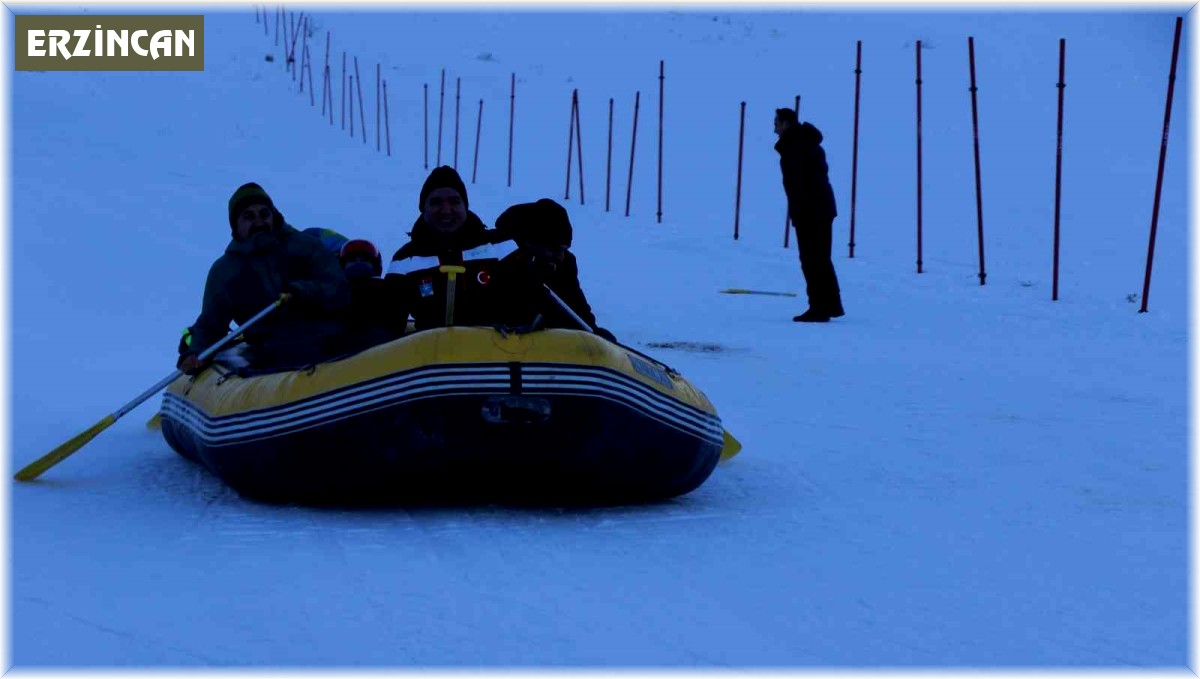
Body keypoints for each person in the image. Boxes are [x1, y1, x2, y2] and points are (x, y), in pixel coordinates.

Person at [177, 182, 352, 374]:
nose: (259, 222)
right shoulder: (225, 271)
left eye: (264, 214)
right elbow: (210, 325)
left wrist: (303, 292)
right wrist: (195, 352)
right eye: (248, 216)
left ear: (273, 215)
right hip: (272, 356)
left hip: (330, 340)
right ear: (236, 224)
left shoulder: (307, 247)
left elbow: (339, 288)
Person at [385, 166, 516, 332]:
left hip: (498, 353)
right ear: (423, 208)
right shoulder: (404, 260)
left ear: (465, 206)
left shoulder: (499, 246)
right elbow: (388, 325)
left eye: (454, 201)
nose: (446, 210)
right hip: (431, 355)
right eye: (436, 202)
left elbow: (532, 301)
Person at [493, 198, 616, 342]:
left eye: (564, 249)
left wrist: (594, 334)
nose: (561, 257)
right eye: (554, 249)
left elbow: (576, 308)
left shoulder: (564, 264)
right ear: (530, 242)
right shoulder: (498, 257)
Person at [774, 107, 845, 323]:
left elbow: (799, 185)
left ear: (786, 123)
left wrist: (800, 212)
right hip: (821, 208)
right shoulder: (807, 142)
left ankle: (819, 307)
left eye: (776, 123)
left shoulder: (795, 146)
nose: (774, 129)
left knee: (812, 260)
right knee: (821, 258)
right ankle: (830, 305)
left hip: (811, 210)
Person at [338, 238, 401, 350]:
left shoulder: (385, 290)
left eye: (364, 260)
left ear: (375, 265)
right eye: (352, 260)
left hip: (377, 350)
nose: (358, 263)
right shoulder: (332, 290)